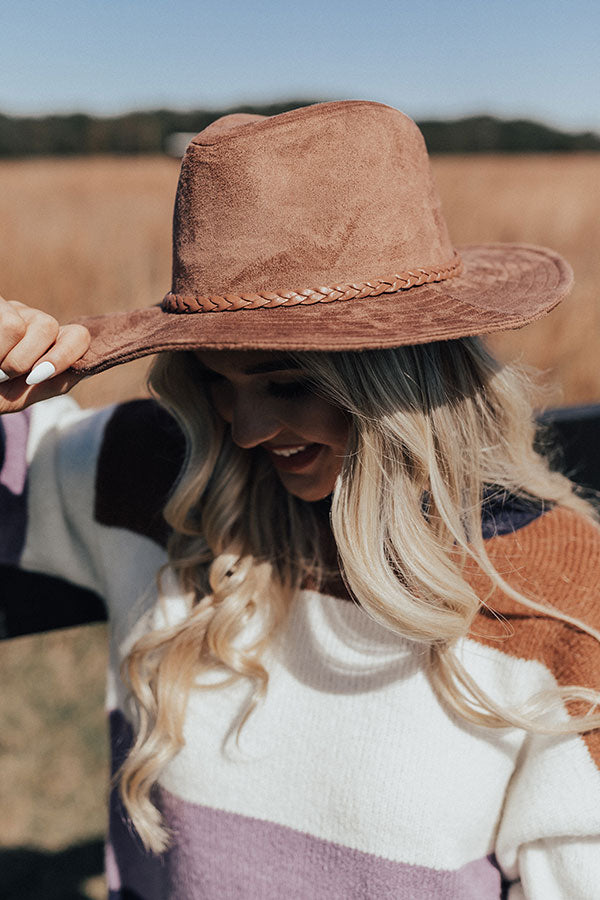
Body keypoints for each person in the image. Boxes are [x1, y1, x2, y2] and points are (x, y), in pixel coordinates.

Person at [1, 100, 599, 900]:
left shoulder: (558, 590)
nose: (246, 430)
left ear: (405, 376)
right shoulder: (162, 478)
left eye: (287, 384)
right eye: (217, 381)